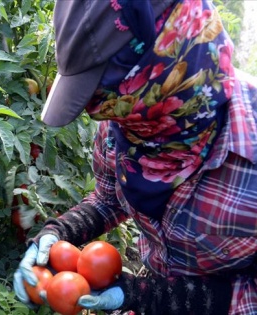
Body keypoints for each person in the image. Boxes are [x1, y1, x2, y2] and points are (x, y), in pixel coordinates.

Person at [13, 0, 257, 314]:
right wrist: (59, 233)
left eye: (110, 95)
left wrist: (148, 296)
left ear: (162, 69)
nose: (101, 113)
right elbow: (109, 198)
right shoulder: (130, 129)